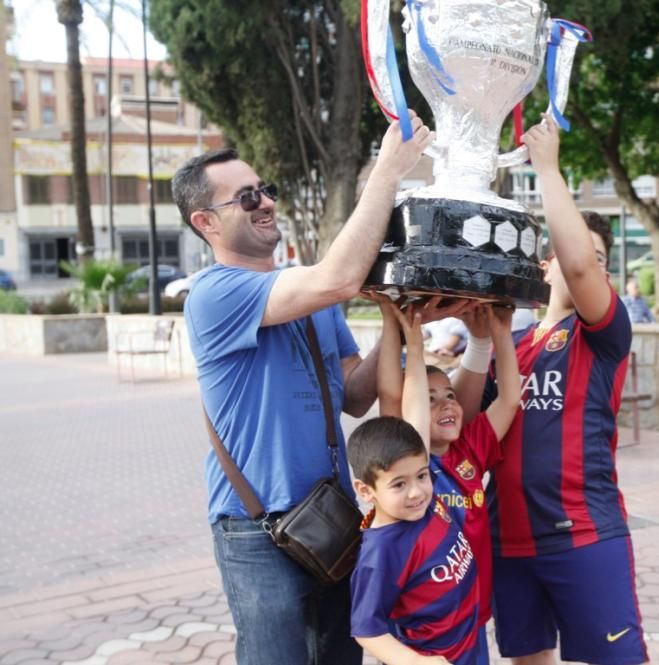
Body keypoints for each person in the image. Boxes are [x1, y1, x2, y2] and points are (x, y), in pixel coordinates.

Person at [172, 112, 452, 665]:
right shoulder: (213, 294)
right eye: (246, 198)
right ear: (205, 221)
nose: (265, 203)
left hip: (332, 515)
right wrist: (387, 171)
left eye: (265, 191)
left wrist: (399, 322)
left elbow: (352, 392)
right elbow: (340, 278)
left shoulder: (307, 297)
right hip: (257, 530)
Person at [463, 115, 648, 665]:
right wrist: (482, 342)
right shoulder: (512, 342)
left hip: (585, 538)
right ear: (545, 268)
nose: (583, 263)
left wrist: (548, 168)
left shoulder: (603, 335)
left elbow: (580, 268)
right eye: (572, 253)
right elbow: (468, 423)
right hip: (507, 540)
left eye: (597, 258)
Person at [348, 303, 487, 665]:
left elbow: (414, 411)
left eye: (423, 476)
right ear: (366, 491)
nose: (417, 491)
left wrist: (414, 338)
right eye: (398, 485)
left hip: (470, 646)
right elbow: (366, 628)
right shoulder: (380, 554)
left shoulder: (423, 492)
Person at [376, 297, 520, 638]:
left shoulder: (471, 448)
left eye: (450, 394)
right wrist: (410, 343)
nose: (445, 404)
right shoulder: (411, 459)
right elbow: (389, 393)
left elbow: (510, 399)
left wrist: (501, 332)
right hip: (420, 625)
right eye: (430, 398)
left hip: (470, 617)